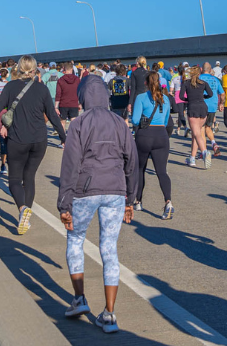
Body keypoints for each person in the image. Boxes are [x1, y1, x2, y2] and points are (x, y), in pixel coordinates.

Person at [57, 75, 137, 334]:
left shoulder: (78, 124)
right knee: (109, 248)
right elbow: (132, 161)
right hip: (115, 191)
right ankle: (110, 314)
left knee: (75, 239)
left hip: (85, 190)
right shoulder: (119, 122)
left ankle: (79, 299)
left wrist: (64, 204)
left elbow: (70, 166)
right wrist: (130, 199)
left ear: (82, 97)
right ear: (105, 95)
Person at [0, 56, 66, 235]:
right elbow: (53, 115)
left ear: (17, 69)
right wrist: (64, 137)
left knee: (14, 180)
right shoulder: (41, 88)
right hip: (39, 139)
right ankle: (26, 215)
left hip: (17, 138)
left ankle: (22, 209)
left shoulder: (10, 87)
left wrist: (4, 119)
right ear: (35, 70)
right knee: (30, 176)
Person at [130, 72, 174, 220]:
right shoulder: (166, 99)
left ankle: (138, 201)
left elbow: (135, 120)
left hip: (145, 135)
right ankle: (168, 202)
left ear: (146, 83)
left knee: (140, 169)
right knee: (162, 171)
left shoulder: (141, 97)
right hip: (161, 135)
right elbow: (167, 120)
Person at [179, 66, 213, 168]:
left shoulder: (186, 83)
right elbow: (210, 94)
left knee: (196, 133)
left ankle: (204, 152)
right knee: (196, 134)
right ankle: (192, 158)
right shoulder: (203, 83)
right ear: (199, 74)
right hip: (203, 107)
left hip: (193, 108)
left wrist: (188, 99)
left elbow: (180, 97)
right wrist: (203, 97)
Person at [200, 62, 224, 157]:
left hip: (202, 105)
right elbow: (222, 93)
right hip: (213, 106)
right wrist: (221, 103)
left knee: (202, 129)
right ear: (210, 70)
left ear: (202, 69)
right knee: (208, 127)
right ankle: (214, 143)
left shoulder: (199, 78)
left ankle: (204, 151)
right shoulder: (215, 80)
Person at [55, 62, 81, 131]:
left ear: (64, 69)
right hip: (74, 103)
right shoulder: (77, 79)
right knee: (74, 122)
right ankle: (73, 138)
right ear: (72, 69)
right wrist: (80, 103)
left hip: (63, 104)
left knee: (62, 122)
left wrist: (56, 106)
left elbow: (58, 94)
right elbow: (80, 92)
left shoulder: (60, 80)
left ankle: (63, 140)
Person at [170, 65, 188, 137]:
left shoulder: (175, 78)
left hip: (178, 96)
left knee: (181, 113)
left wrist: (171, 93)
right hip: (186, 95)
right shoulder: (186, 78)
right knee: (182, 113)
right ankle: (178, 129)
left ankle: (185, 127)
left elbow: (171, 89)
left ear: (177, 70)